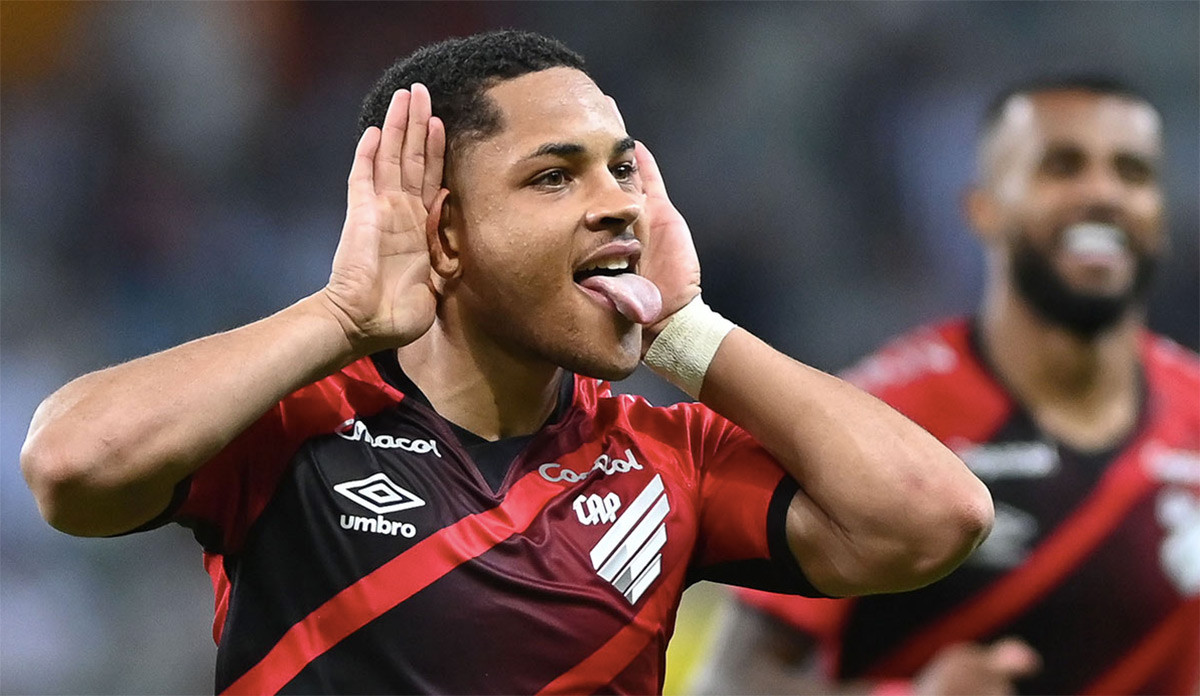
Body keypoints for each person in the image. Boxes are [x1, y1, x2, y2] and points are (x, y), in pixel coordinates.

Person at [20, 30, 993, 695]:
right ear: (443, 230)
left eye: (621, 167)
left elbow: (931, 518)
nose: (617, 204)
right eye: (554, 175)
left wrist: (687, 331)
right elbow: (71, 468)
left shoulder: (668, 460)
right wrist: (343, 316)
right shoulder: (295, 423)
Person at [692, 76, 1199, 696]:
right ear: (982, 210)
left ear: (1160, 218)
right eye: (1061, 167)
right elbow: (727, 684)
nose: (1102, 193)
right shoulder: (883, 420)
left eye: (1131, 172)